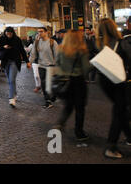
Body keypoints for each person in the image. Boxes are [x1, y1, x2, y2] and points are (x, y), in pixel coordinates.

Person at [95, 19, 131, 159]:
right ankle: (111, 146)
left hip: (104, 80)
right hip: (118, 79)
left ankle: (128, 136)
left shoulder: (98, 43)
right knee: (120, 110)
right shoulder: (121, 42)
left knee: (120, 109)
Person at [53, 30, 91, 141]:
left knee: (68, 105)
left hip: (64, 81)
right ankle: (79, 132)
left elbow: (57, 64)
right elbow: (86, 69)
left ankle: (60, 123)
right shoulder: (81, 50)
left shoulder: (60, 49)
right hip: (78, 81)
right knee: (80, 108)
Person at [0, 27, 31, 108]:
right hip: (5, 62)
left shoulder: (17, 39)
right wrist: (3, 47)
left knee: (11, 80)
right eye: (7, 34)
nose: (8, 35)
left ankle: (11, 98)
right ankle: (14, 93)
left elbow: (22, 50)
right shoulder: (2, 39)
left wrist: (27, 61)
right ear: (5, 33)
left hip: (14, 61)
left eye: (10, 34)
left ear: (13, 33)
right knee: (9, 80)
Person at [29, 27, 58, 109]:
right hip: (41, 66)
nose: (39, 33)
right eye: (38, 32)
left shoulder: (53, 42)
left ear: (46, 32)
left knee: (52, 84)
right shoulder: (37, 42)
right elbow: (33, 53)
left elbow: (57, 55)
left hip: (51, 66)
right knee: (44, 84)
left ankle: (54, 95)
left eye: (41, 32)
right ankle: (48, 101)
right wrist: (29, 62)